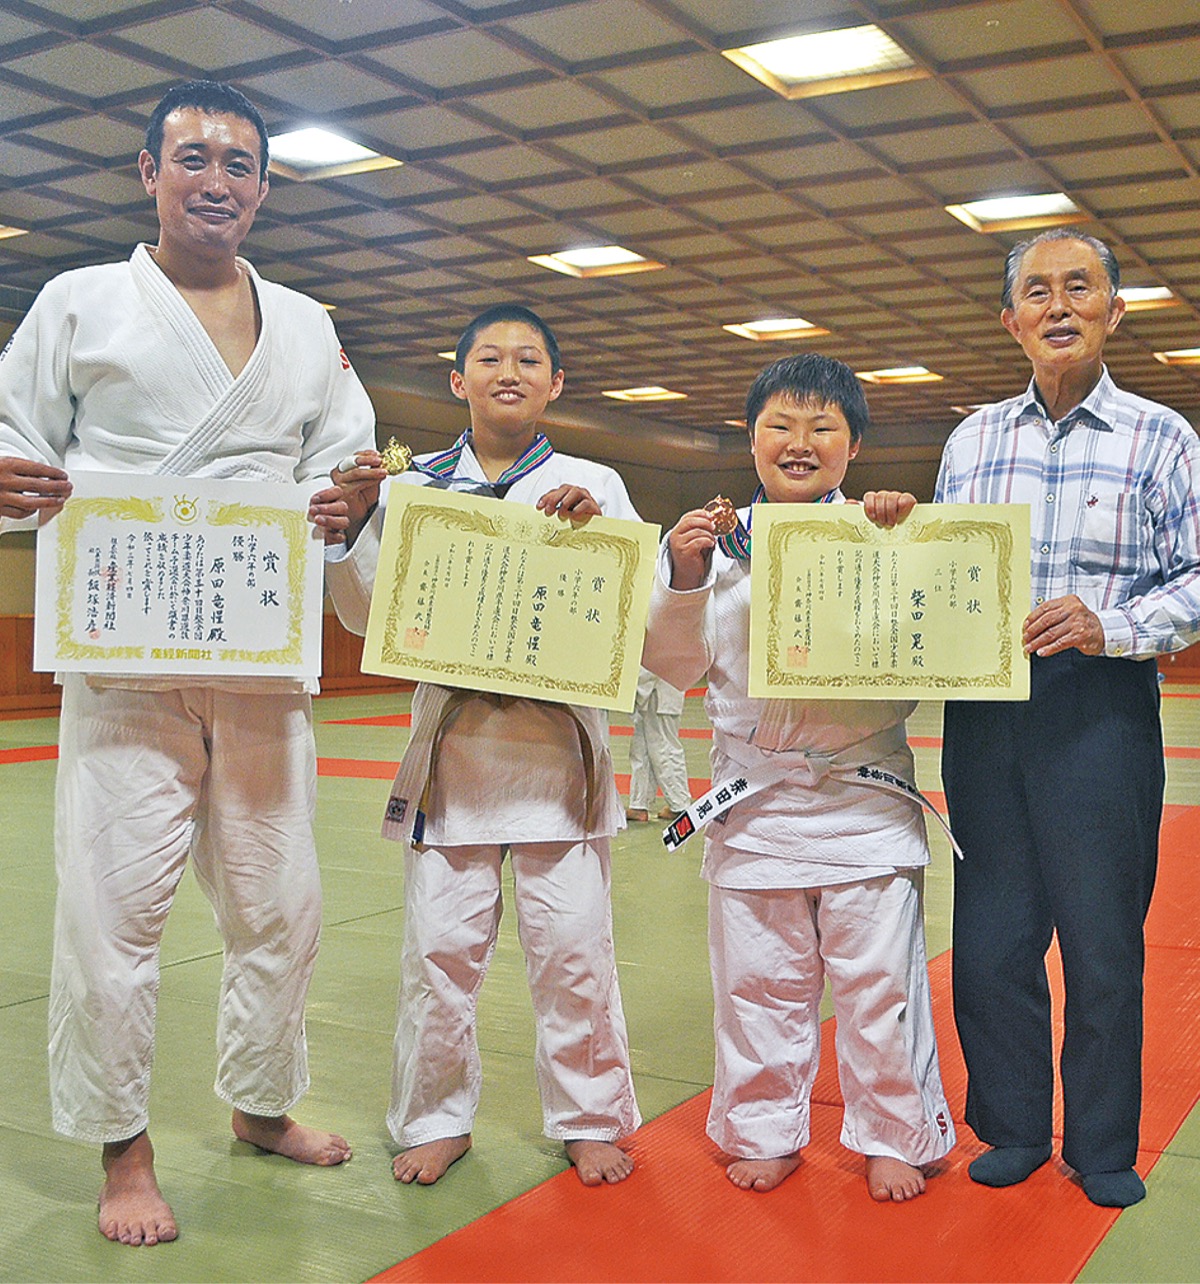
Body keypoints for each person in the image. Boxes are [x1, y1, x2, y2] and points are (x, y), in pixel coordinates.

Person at [0, 80, 375, 1246]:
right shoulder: (78, 300)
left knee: (283, 905)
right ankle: (124, 1151)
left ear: (266, 186)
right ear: (148, 172)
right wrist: (12, 482)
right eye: (193, 157)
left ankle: (260, 1106)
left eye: (241, 164)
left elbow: (350, 465)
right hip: (123, 652)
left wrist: (351, 503)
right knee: (113, 914)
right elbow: (13, 432)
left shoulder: (309, 324)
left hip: (260, 648)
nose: (217, 179)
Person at [327, 303, 642, 1187]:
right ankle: (436, 1116)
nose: (511, 371)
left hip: (560, 758)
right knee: (439, 954)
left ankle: (589, 1118)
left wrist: (599, 542)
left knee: (576, 951)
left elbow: (632, 621)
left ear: (556, 383)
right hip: (455, 756)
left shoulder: (596, 483)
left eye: (531, 359)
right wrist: (352, 528)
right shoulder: (410, 487)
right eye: (491, 359)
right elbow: (361, 614)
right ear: (457, 379)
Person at [642, 353, 955, 1202]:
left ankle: (896, 1132)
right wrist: (682, 575)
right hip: (757, 802)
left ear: (854, 447)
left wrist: (899, 541)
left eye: (824, 427)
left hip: (863, 799)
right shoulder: (714, 542)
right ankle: (764, 1129)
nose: (800, 441)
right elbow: (671, 665)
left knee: (879, 989)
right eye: (781, 424)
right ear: (750, 439)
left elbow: (923, 665)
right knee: (758, 985)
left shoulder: (881, 534)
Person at [936, 229, 1200, 1208]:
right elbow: (942, 573)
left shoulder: (1163, 438)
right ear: (1011, 322)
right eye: (1035, 292)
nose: (1058, 306)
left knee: (1102, 941)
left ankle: (1100, 1142)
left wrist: (1111, 623)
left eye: (1078, 288)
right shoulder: (971, 441)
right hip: (986, 711)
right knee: (994, 936)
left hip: (1101, 711)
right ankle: (1008, 1124)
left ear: (1114, 310)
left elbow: (1198, 577)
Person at [626, 667, 691, 822]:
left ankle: (680, 805)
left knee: (663, 747)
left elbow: (657, 659)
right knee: (641, 748)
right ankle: (639, 805)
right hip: (654, 689)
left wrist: (629, 686)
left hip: (660, 689)